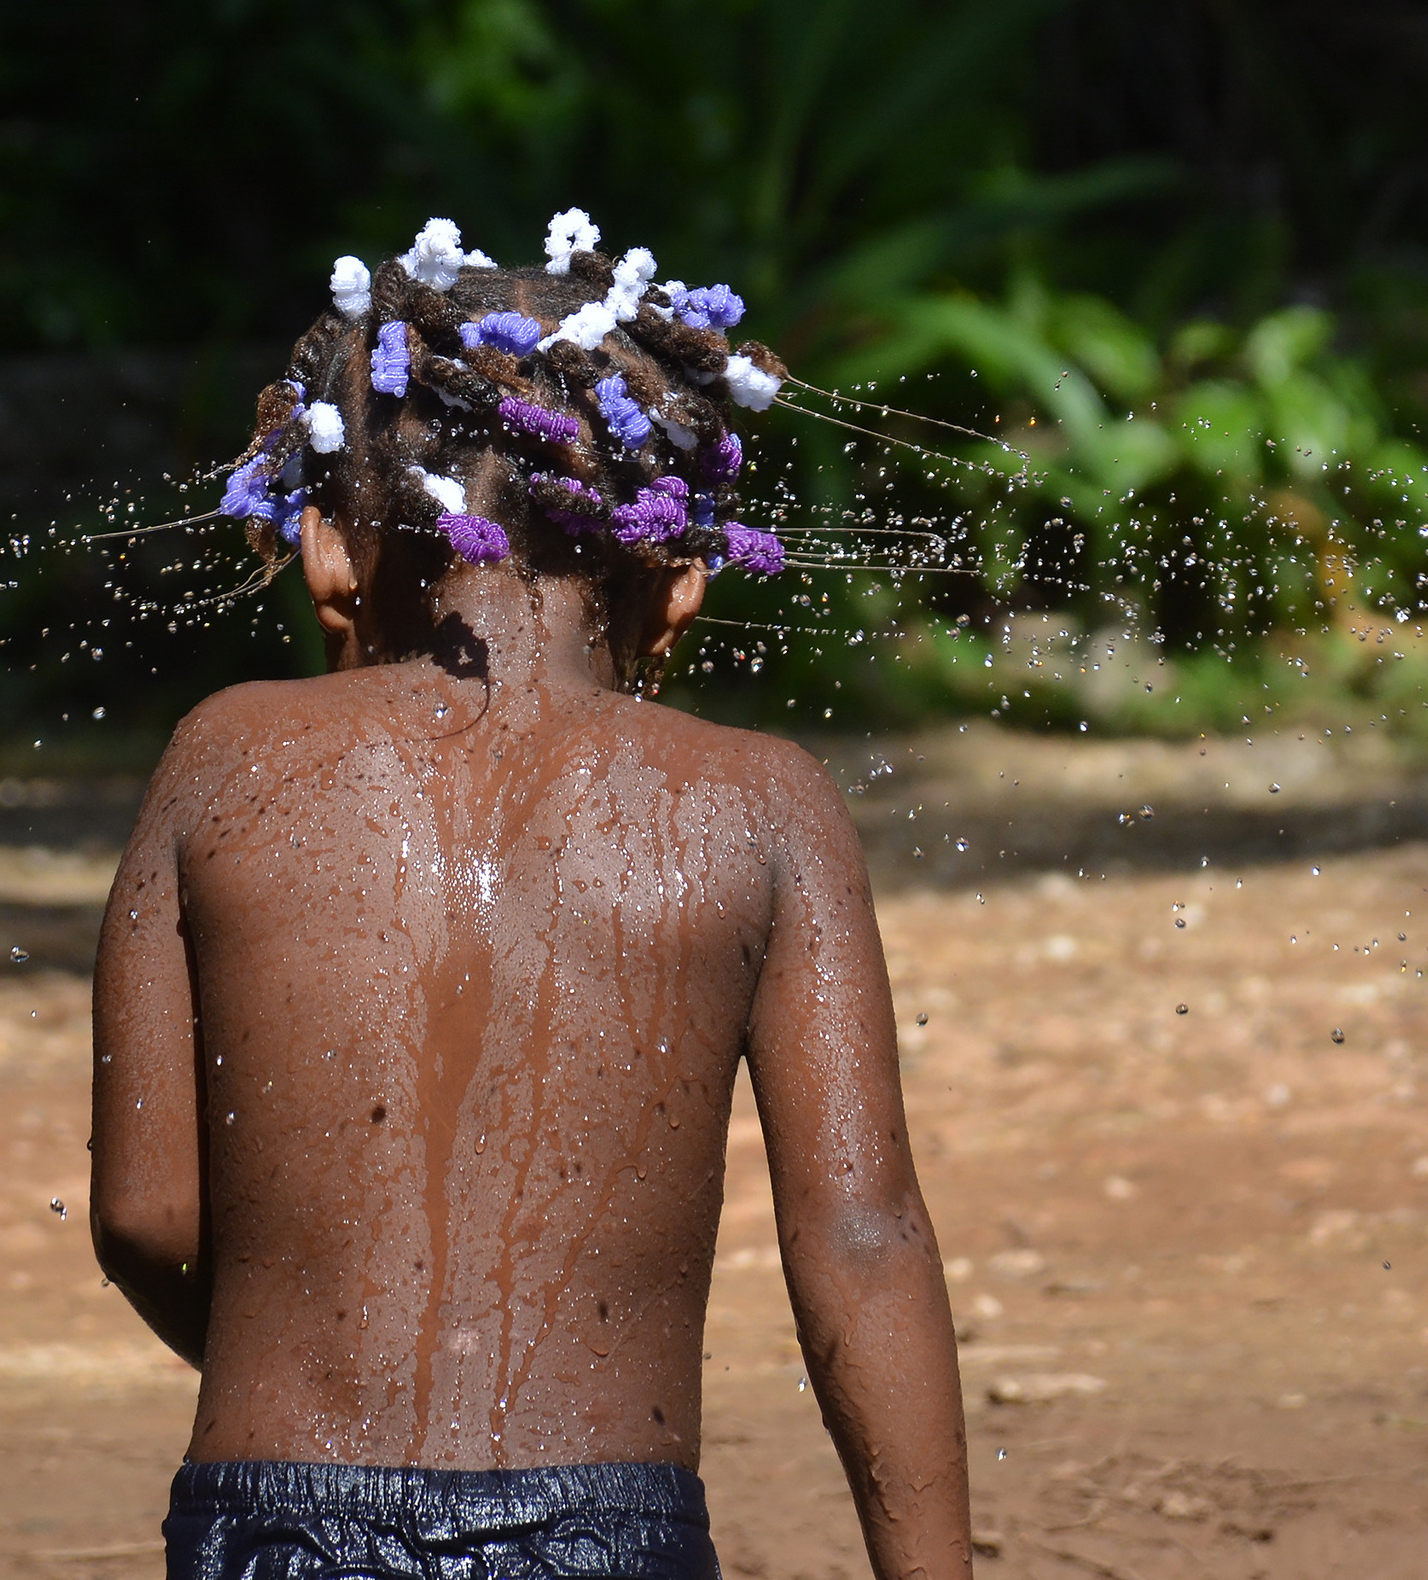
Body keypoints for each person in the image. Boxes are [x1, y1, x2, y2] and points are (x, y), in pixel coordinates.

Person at [90, 212, 971, 1580]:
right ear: (678, 581)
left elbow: (145, 1215)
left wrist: (320, 1347)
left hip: (281, 1521)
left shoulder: (225, 759)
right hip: (604, 1534)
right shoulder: (762, 804)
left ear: (327, 545)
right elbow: (861, 1237)